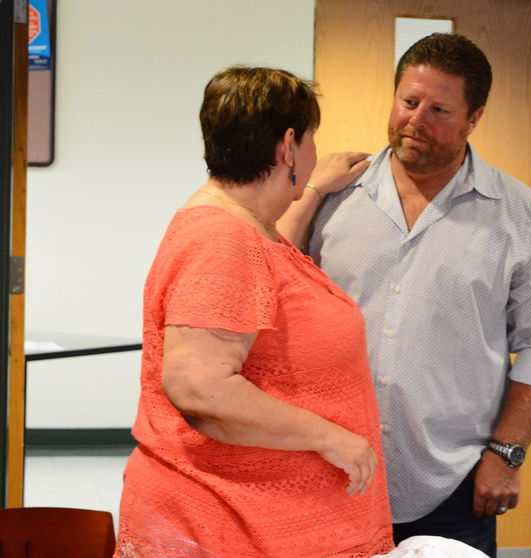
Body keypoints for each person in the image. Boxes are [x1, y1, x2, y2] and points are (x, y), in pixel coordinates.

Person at [278, 33, 531, 557]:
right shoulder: (333, 195)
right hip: (328, 470)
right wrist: (314, 192)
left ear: (474, 118)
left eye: (439, 109)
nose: (416, 120)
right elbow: (267, 282)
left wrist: (507, 454)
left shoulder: (523, 216)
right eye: (408, 102)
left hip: (453, 482)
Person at [115, 66, 393, 557]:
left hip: (254, 524)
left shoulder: (243, 230)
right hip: (227, 524)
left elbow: (266, 275)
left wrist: (311, 190)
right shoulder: (221, 239)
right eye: (310, 140)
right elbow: (200, 386)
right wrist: (332, 438)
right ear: (288, 146)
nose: (311, 154)